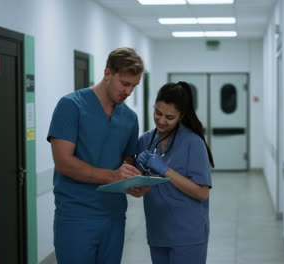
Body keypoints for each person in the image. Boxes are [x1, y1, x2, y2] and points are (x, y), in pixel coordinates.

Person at [47, 47, 150, 264]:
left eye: (134, 86)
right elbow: (64, 163)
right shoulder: (71, 106)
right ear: (107, 74)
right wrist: (113, 177)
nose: (129, 92)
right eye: (124, 83)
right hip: (76, 215)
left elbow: (127, 162)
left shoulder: (129, 118)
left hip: (114, 215)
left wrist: (134, 183)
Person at [136, 81, 215, 264]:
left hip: (187, 234)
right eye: (158, 113)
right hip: (157, 230)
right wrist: (136, 180)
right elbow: (142, 189)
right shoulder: (145, 141)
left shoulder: (193, 143)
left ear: (181, 116)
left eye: (169, 117)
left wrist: (165, 170)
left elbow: (201, 193)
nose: (161, 121)